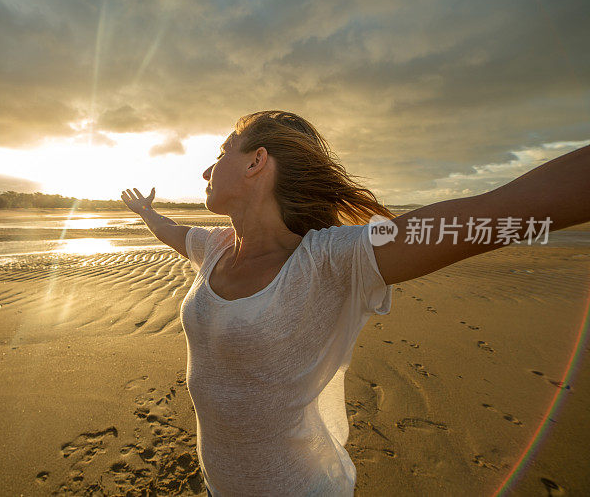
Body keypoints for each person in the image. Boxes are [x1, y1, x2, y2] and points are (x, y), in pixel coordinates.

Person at [120, 110, 589, 496]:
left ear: (255, 162)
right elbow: (171, 232)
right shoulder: (215, 246)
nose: (206, 170)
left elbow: (498, 210)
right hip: (221, 484)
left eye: (221, 152)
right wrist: (146, 213)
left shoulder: (328, 259)